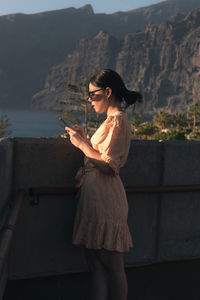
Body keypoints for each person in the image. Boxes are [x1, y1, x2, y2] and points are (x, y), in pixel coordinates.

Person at [65, 69, 142, 300]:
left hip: (106, 201)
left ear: (108, 92)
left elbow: (109, 166)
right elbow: (101, 155)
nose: (90, 101)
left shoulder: (118, 120)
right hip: (95, 199)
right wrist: (87, 140)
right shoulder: (110, 121)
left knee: (112, 267)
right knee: (96, 265)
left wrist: (82, 146)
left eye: (93, 95)